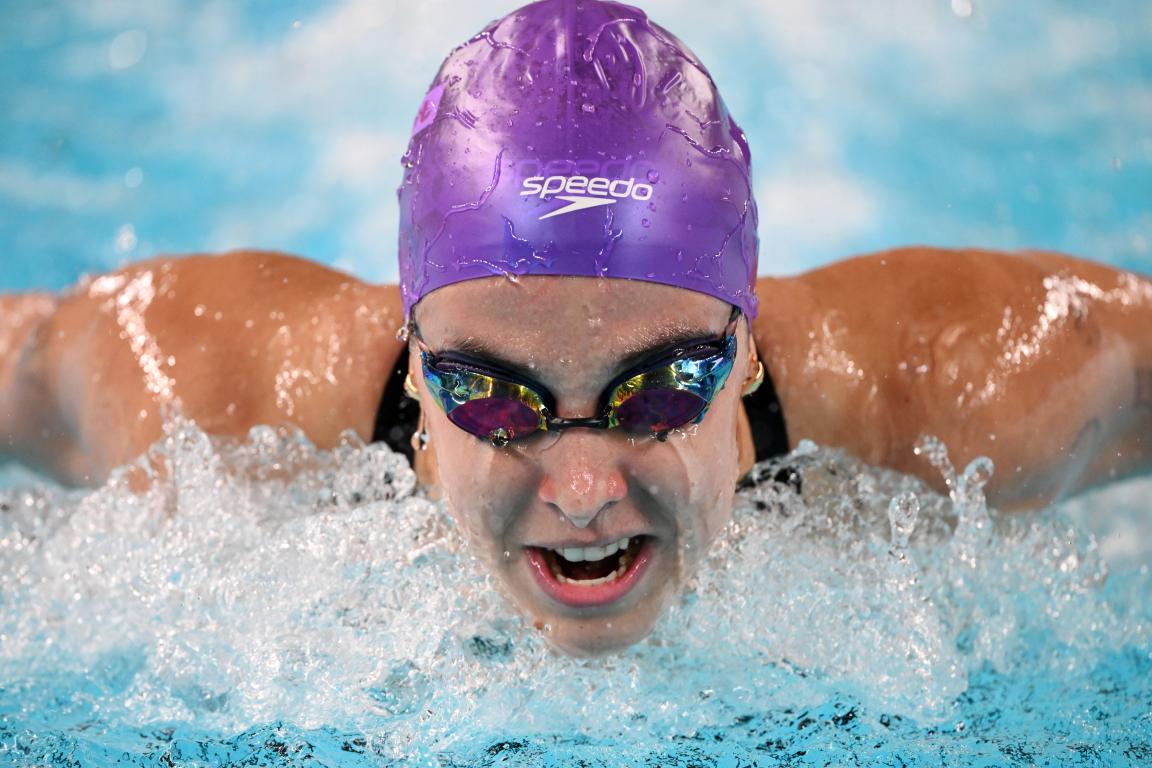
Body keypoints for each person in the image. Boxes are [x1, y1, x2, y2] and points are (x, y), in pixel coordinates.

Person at [0, 0, 1149, 656]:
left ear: (743, 348)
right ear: (415, 362)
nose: (587, 485)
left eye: (658, 390)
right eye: (496, 399)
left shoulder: (969, 387)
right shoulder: (202, 402)